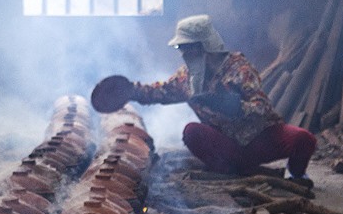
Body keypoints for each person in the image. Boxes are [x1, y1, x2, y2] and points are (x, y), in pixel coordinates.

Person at [90, 14, 317, 182]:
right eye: (181, 48)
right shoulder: (186, 77)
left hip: (260, 139)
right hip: (227, 145)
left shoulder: (239, 69)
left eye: (187, 48)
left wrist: (235, 107)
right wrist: (132, 91)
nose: (183, 54)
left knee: (303, 139)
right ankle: (231, 170)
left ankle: (296, 175)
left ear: (205, 47)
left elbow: (263, 108)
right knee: (192, 132)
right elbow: (161, 92)